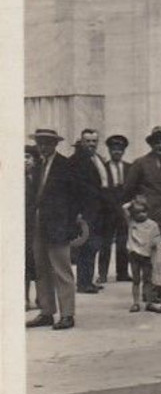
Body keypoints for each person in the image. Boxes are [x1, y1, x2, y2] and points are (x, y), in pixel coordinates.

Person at [27, 128, 79, 331]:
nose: (43, 146)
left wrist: (70, 224)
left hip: (58, 224)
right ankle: (47, 312)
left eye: (48, 143)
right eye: (40, 142)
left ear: (55, 144)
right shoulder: (37, 165)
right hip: (38, 223)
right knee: (41, 269)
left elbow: (75, 197)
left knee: (62, 270)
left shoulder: (66, 165)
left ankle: (67, 314)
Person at [70, 128, 112, 293]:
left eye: (94, 141)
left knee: (94, 246)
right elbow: (75, 189)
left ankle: (89, 280)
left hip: (99, 210)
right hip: (85, 211)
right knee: (85, 247)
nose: (91, 144)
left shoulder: (97, 159)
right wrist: (77, 213)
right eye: (88, 141)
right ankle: (83, 283)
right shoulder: (76, 161)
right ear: (81, 142)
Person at [123, 126, 161, 224]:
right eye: (157, 142)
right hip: (148, 215)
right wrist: (138, 208)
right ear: (151, 144)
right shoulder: (140, 163)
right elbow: (128, 189)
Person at [98, 134, 132, 284]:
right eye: (114, 149)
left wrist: (128, 205)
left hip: (124, 211)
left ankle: (122, 273)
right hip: (108, 211)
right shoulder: (102, 168)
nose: (117, 152)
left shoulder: (129, 168)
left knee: (123, 242)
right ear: (109, 150)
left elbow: (132, 189)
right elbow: (101, 191)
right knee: (105, 243)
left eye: (120, 149)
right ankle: (103, 274)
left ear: (124, 151)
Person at [122, 194, 160, 312]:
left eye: (143, 211)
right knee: (136, 280)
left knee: (148, 280)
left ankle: (149, 302)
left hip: (147, 255)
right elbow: (124, 208)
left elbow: (156, 241)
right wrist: (133, 202)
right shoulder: (132, 223)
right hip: (134, 255)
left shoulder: (153, 224)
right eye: (137, 212)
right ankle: (136, 303)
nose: (141, 214)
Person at [25, 144, 40, 310]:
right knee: (24, 266)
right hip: (22, 228)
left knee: (38, 264)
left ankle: (40, 298)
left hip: (36, 227)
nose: (25, 161)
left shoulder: (38, 178)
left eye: (29, 157)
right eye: (23, 157)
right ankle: (24, 298)